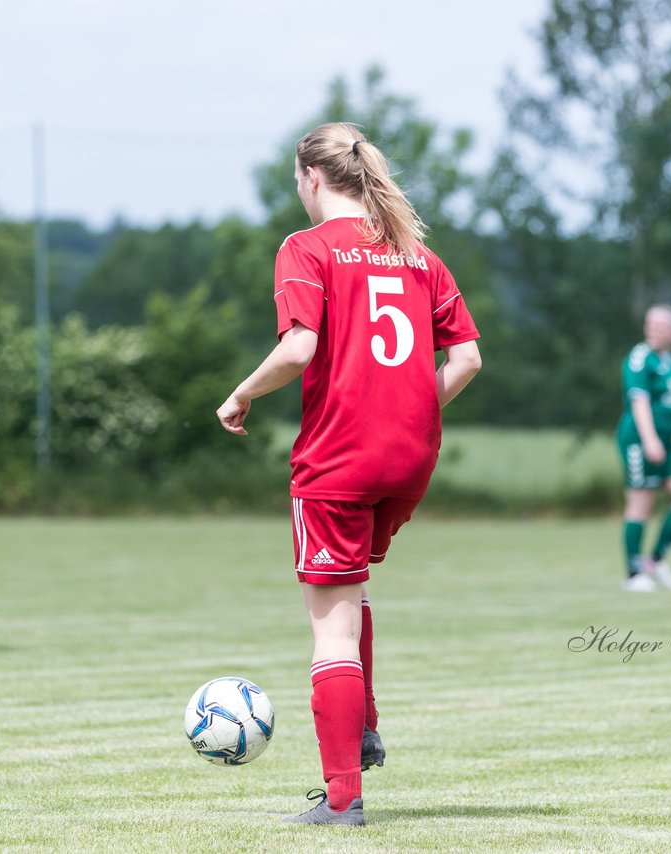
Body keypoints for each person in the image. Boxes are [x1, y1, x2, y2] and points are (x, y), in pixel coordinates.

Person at [216, 123, 482, 826]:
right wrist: (414, 404)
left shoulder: (305, 249)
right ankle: (360, 723)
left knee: (329, 628)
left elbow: (300, 346)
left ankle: (342, 799)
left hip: (341, 458)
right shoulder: (415, 254)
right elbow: (467, 361)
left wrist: (242, 392)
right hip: (411, 458)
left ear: (309, 177)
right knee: (352, 588)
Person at [616, 304, 671, 592]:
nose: (654, 328)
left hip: (667, 442)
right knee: (641, 504)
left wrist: (669, 436)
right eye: (650, 323)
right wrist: (650, 439)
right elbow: (639, 402)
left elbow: (668, 405)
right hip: (640, 440)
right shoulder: (641, 358)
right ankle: (633, 574)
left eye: (661, 324)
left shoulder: (670, 360)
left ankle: (655, 560)